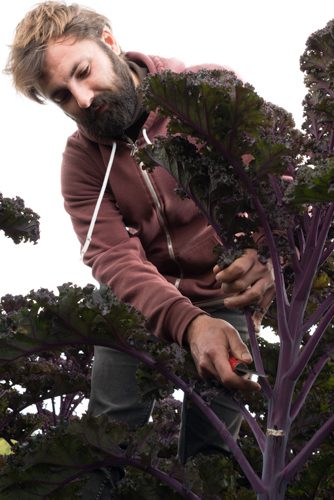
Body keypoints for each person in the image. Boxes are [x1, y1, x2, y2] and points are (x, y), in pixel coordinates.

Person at [5, 0, 274, 494]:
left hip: (227, 293)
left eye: (83, 73)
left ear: (109, 41)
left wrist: (267, 253)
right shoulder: (80, 163)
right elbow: (111, 255)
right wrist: (188, 323)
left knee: (215, 449)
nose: (83, 101)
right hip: (138, 300)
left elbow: (272, 184)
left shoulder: (206, 91)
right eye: (62, 96)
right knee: (111, 438)